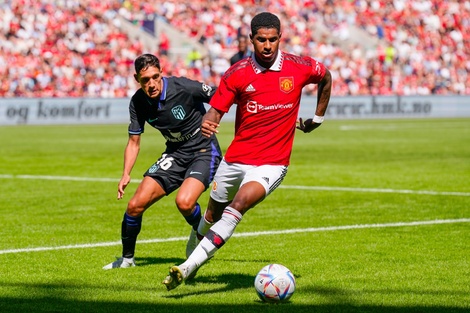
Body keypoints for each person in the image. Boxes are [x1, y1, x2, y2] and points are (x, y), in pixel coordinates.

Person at [162, 12, 332, 290]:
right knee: (210, 216)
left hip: (272, 163)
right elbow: (216, 110)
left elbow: (326, 76)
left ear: (280, 38)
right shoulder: (238, 73)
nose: (267, 45)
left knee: (238, 205)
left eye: (273, 40)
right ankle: (193, 248)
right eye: (261, 40)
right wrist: (209, 122)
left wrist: (318, 117)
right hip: (236, 158)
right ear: (251, 39)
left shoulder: (299, 67)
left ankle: (186, 267)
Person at [103, 53, 222, 270]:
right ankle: (127, 260)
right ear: (136, 79)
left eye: (154, 77)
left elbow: (221, 96)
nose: (151, 84)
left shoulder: (183, 87)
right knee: (134, 206)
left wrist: (212, 117)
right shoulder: (138, 102)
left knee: (184, 202)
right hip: (174, 154)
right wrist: (126, 173)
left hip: (203, 150)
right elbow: (133, 141)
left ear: (161, 73)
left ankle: (200, 235)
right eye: (144, 80)